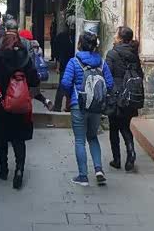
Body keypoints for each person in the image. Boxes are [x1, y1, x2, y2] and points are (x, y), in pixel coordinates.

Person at [0, 32, 51, 189]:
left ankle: (4, 170)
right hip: (21, 106)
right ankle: (19, 170)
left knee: (1, 139)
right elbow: (35, 80)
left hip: (2, 105)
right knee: (19, 140)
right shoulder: (26, 58)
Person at [61, 31, 114, 186]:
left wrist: (71, 94)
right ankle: (98, 169)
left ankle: (83, 176)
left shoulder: (74, 62)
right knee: (93, 137)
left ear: (79, 44)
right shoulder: (101, 62)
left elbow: (65, 83)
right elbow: (110, 84)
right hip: (96, 106)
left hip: (79, 104)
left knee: (80, 140)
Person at [106, 25, 144, 172]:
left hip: (116, 94)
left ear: (120, 38)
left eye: (116, 34)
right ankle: (131, 153)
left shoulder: (112, 53)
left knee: (114, 128)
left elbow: (107, 75)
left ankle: (117, 159)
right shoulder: (134, 53)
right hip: (130, 94)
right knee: (125, 126)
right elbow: (140, 74)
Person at [52, 26, 75, 111]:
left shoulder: (63, 37)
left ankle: (58, 107)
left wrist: (58, 66)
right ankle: (66, 106)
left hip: (65, 65)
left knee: (62, 86)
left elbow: (58, 53)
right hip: (67, 64)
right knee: (66, 86)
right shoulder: (69, 38)